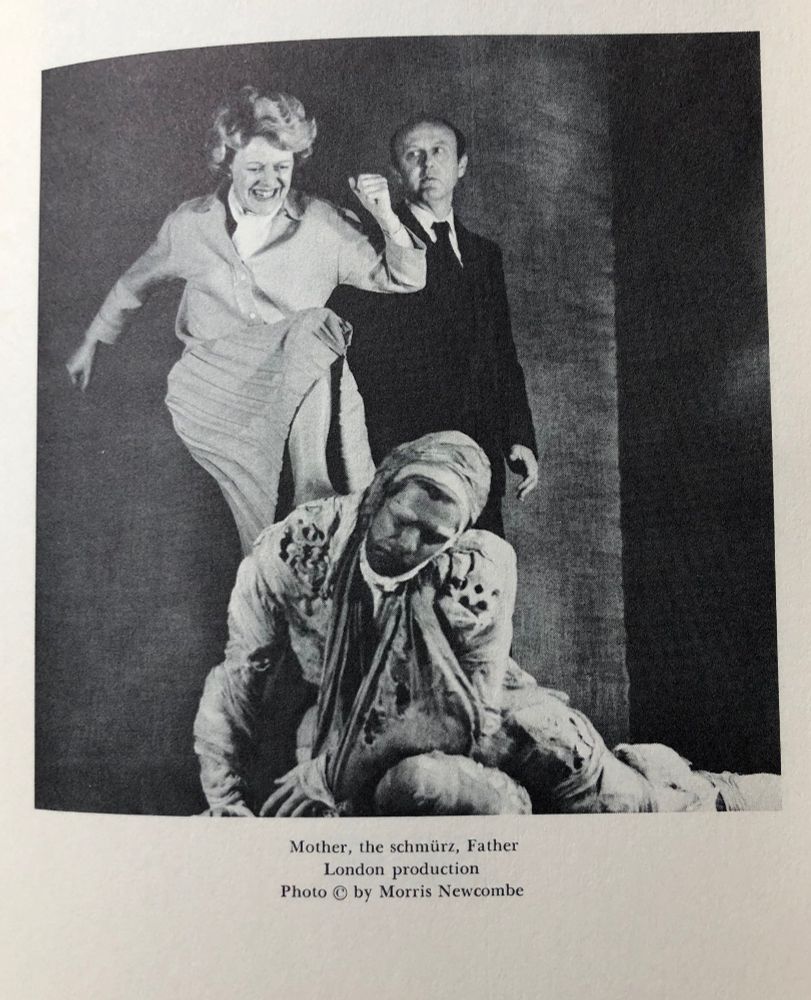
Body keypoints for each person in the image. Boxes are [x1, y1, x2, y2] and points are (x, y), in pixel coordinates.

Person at [193, 431, 780, 816]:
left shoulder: (480, 564)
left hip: (510, 734)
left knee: (647, 812)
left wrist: (331, 770)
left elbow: (462, 716)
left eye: (434, 537)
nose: (408, 544)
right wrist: (225, 803)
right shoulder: (298, 549)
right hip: (355, 737)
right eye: (402, 519)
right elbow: (239, 676)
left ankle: (715, 791)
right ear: (378, 494)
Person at [66, 86, 426, 553]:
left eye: (282, 167)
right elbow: (135, 284)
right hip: (213, 383)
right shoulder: (190, 225)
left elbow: (403, 279)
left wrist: (385, 218)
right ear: (227, 162)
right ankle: (311, 490)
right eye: (255, 167)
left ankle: (300, 516)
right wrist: (94, 339)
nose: (269, 181)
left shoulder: (321, 223)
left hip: (295, 386)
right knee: (311, 328)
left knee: (272, 543)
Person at [327, 115, 538, 536]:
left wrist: (519, 436)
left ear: (461, 164)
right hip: (403, 465)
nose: (428, 164)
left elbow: (501, 355)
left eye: (439, 151)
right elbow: (359, 361)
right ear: (396, 172)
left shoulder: (484, 255)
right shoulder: (370, 248)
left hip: (478, 462)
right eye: (413, 154)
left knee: (472, 586)